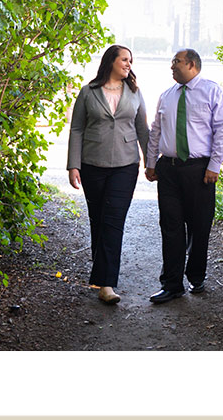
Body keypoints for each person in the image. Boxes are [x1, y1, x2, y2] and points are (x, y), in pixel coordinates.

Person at [145, 48, 223, 304]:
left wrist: (214, 165)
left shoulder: (213, 92)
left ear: (192, 64)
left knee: (199, 225)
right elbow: (156, 131)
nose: (172, 66)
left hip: (199, 170)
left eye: (177, 62)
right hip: (169, 170)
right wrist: (151, 163)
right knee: (170, 226)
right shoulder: (167, 96)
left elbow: (222, 129)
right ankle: (171, 284)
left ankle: (197, 276)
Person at [67, 44, 151, 304]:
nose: (128, 64)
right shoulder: (88, 92)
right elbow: (77, 129)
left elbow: (142, 129)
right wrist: (73, 165)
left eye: (130, 60)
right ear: (111, 62)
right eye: (124, 59)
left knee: (113, 220)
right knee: (98, 220)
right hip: (92, 164)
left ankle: (106, 283)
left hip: (125, 166)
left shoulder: (135, 92)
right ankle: (101, 273)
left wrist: (151, 162)